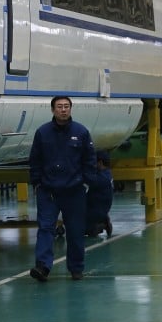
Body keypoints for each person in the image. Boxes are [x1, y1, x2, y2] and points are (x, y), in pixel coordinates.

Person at [28, 95, 97, 282]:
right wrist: (37, 183)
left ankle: (76, 268)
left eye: (67, 106)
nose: (63, 110)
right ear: (53, 110)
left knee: (75, 231)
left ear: (71, 109)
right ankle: (42, 267)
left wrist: (86, 182)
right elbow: (35, 160)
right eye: (59, 107)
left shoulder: (81, 132)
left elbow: (89, 159)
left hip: (74, 191)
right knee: (45, 228)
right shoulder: (42, 133)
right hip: (48, 191)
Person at [85, 151, 113, 238]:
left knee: (77, 229)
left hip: (95, 211)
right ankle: (103, 220)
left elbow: (87, 180)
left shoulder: (100, 178)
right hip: (102, 209)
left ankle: (98, 227)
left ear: (100, 163)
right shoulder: (107, 174)